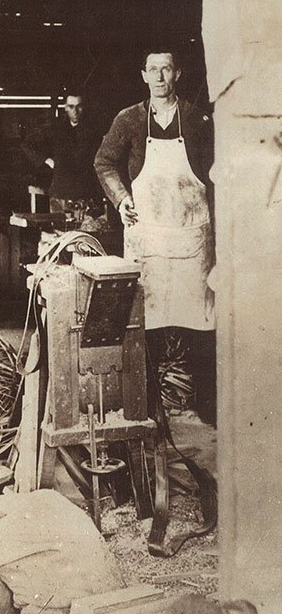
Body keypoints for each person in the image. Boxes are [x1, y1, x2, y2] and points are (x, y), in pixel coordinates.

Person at [94, 49, 215, 421]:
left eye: (166, 69)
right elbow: (104, 162)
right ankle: (148, 405)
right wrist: (120, 198)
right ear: (143, 75)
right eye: (153, 70)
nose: (160, 77)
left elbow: (216, 174)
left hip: (192, 236)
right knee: (145, 321)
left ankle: (202, 405)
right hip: (147, 235)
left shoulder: (197, 119)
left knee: (200, 322)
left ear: (177, 74)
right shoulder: (129, 119)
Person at [43, 91, 102, 215]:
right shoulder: (56, 129)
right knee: (59, 226)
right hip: (60, 191)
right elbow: (27, 144)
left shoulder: (94, 131)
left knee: (85, 225)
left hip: (86, 191)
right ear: (65, 107)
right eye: (71, 106)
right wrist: (48, 161)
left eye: (79, 106)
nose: (75, 111)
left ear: (84, 107)